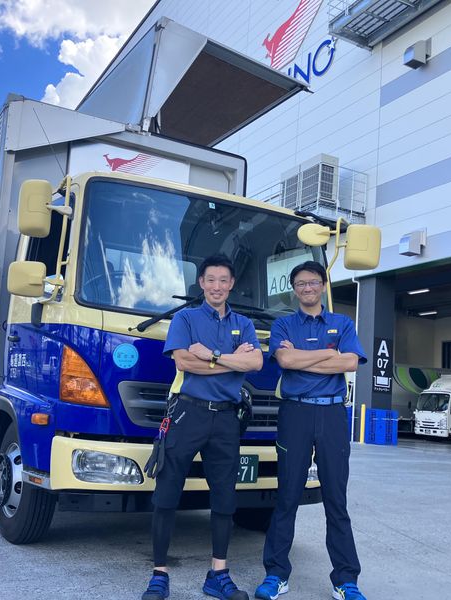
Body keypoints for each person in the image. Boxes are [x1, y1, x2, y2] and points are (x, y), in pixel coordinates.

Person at [142, 254, 263, 600]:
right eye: (211, 280)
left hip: (226, 418)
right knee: (167, 492)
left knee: (225, 496)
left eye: (224, 280)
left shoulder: (244, 323)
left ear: (232, 284)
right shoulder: (186, 318)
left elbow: (255, 362)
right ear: (202, 283)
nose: (217, 286)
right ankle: (159, 574)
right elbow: (183, 361)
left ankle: (218, 573)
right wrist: (233, 361)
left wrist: (210, 355)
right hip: (187, 413)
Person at [254, 261, 368, 600]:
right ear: (294, 289)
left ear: (322, 285)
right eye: (301, 283)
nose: (308, 288)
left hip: (332, 414)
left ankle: (345, 580)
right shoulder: (283, 324)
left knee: (336, 499)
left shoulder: (342, 323)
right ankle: (276, 574)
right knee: (287, 496)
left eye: (313, 282)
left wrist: (305, 356)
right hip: (296, 413)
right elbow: (285, 362)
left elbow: (350, 362)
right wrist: (327, 354)